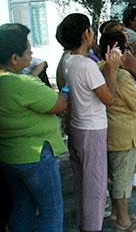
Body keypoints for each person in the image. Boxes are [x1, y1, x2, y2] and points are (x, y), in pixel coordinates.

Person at [56, 13, 121, 232]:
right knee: (95, 184)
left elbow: (90, 84)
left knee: (82, 182)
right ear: (86, 34)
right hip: (92, 129)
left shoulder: (69, 60)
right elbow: (109, 99)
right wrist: (112, 69)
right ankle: (92, 227)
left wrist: (106, 68)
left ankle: (84, 223)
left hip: (77, 126)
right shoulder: (86, 65)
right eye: (92, 30)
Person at [0, 23, 67, 232]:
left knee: (22, 208)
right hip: (36, 155)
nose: (32, 55)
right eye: (28, 52)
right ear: (14, 58)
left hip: (9, 155)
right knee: (51, 210)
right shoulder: (22, 84)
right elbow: (59, 104)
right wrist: (64, 88)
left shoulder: (11, 82)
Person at [98, 31, 136, 232]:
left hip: (110, 130)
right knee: (123, 178)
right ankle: (123, 221)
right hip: (126, 133)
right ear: (116, 52)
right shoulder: (120, 75)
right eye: (125, 50)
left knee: (113, 176)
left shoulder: (100, 68)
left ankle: (116, 214)